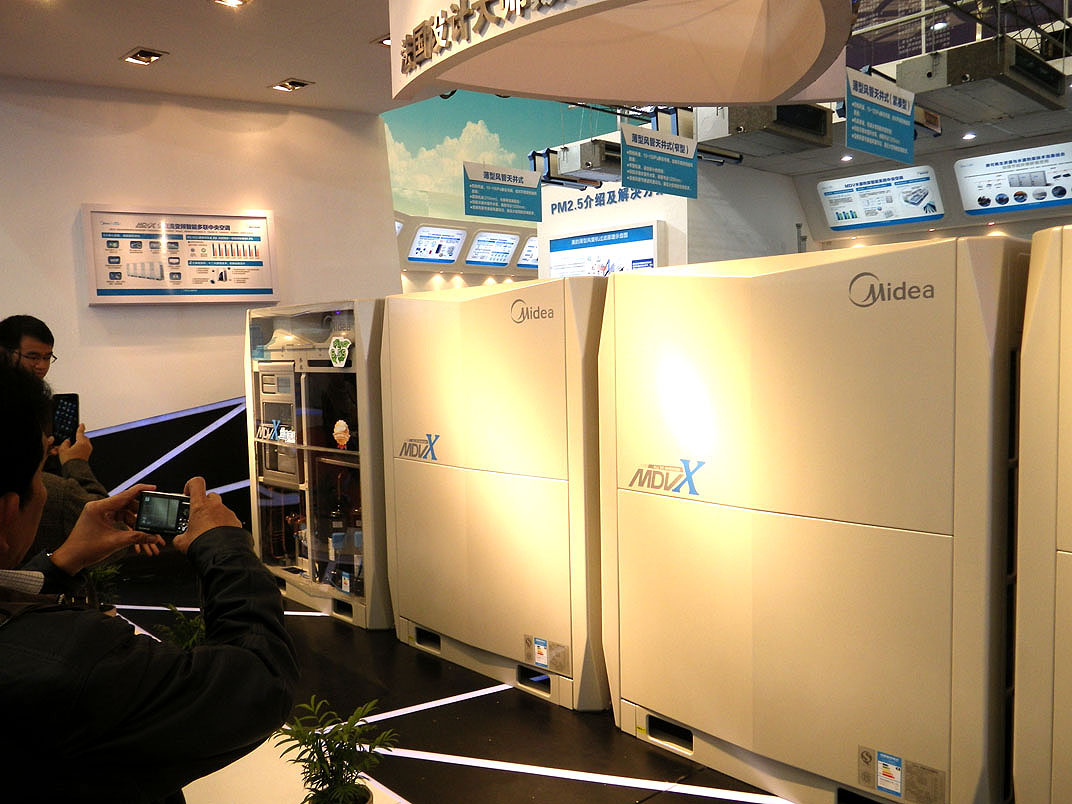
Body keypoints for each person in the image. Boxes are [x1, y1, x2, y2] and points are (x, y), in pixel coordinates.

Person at [0, 362, 299, 803]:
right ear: (7, 512)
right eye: (39, 474)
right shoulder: (74, 663)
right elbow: (260, 682)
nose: (45, 489)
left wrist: (62, 563)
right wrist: (223, 546)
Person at [0, 314, 107, 551]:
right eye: (32, 357)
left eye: (47, 357)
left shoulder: (43, 407)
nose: (41, 365)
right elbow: (104, 525)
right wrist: (76, 463)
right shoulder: (41, 491)